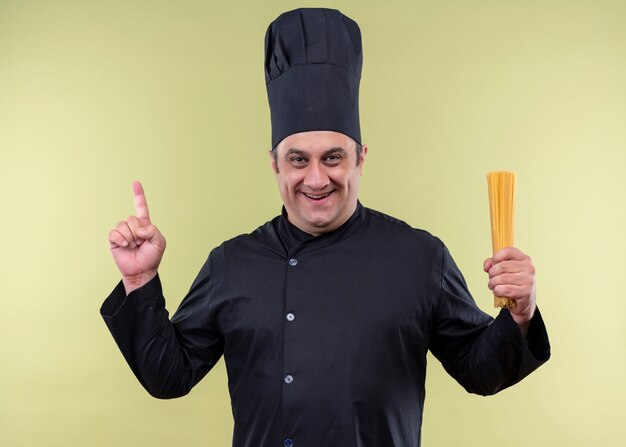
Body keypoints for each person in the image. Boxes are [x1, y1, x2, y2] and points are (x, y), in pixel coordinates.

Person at [101, 8, 550, 447]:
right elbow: (169, 376)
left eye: (333, 157)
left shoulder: (418, 257)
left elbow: (481, 370)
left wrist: (520, 313)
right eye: (298, 159)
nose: (317, 179)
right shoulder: (231, 264)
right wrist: (139, 280)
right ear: (274, 164)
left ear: (361, 158)